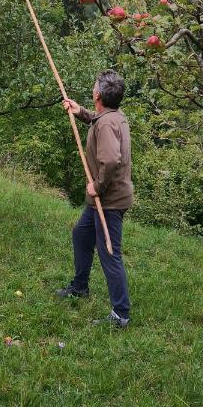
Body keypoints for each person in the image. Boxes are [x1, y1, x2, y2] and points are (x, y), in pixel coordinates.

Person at [55, 69, 133, 327]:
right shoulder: (112, 117)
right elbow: (99, 121)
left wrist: (97, 187)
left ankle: (120, 315)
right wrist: (81, 112)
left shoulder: (108, 123)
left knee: (110, 253)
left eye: (93, 87)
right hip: (104, 199)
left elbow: (111, 160)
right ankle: (80, 287)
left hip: (108, 200)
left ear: (98, 94)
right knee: (81, 235)